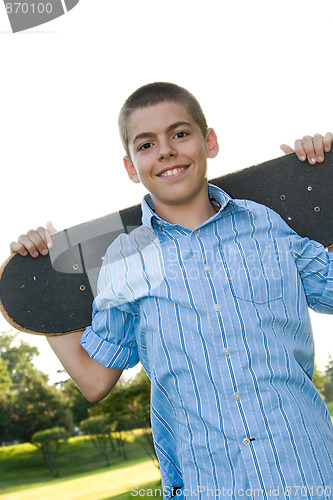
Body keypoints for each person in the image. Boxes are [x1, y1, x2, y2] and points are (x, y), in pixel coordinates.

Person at [10, 83, 333, 499]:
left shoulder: (269, 226)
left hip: (312, 473)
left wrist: (326, 188)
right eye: (146, 144)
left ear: (209, 141)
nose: (165, 151)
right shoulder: (125, 259)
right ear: (131, 167)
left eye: (180, 134)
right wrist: (43, 294)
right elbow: (93, 380)